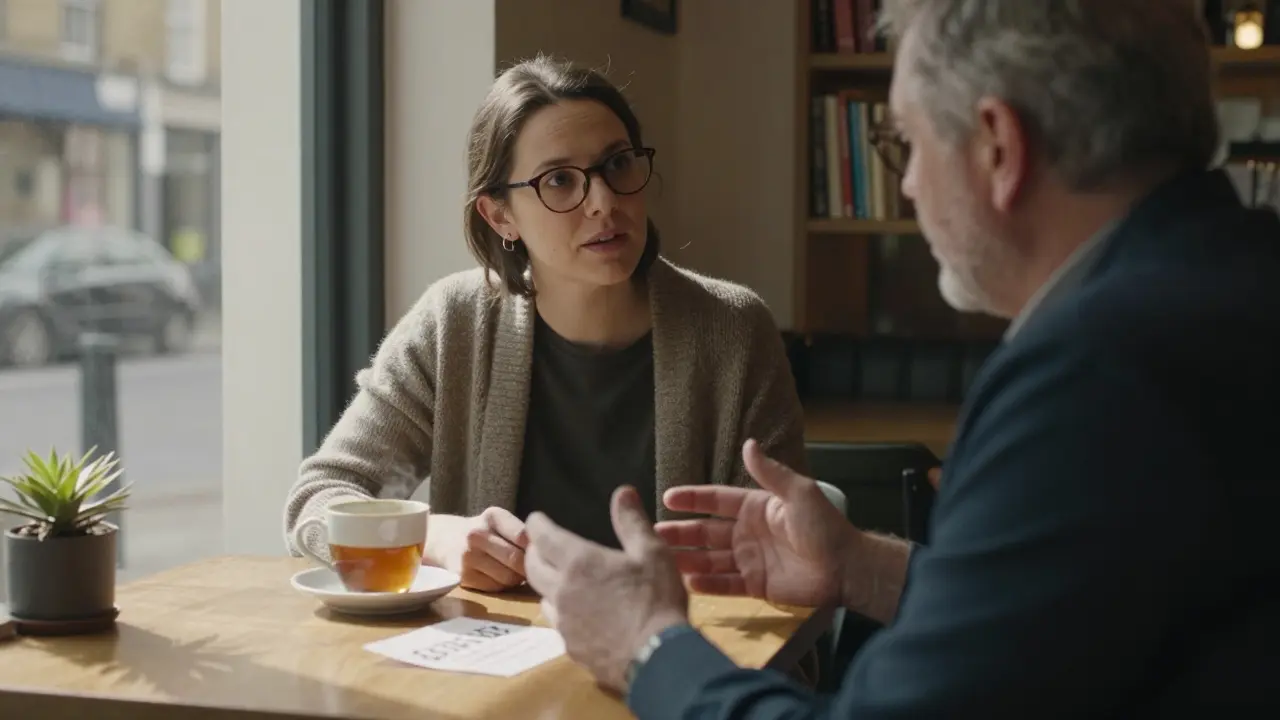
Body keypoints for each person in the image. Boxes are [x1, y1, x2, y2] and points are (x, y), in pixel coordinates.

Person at [523, 1, 1280, 716]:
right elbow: (1093, 609)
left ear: (997, 147)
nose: (909, 183)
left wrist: (647, 645)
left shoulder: (1093, 377)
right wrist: (861, 567)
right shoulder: (1228, 284)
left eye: (908, 145)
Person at [282, 55, 808, 593]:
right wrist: (434, 538)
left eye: (619, 164)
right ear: (499, 215)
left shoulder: (733, 332)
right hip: (498, 662)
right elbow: (319, 499)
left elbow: (780, 556)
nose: (604, 202)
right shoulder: (454, 324)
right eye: (559, 180)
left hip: (676, 657)